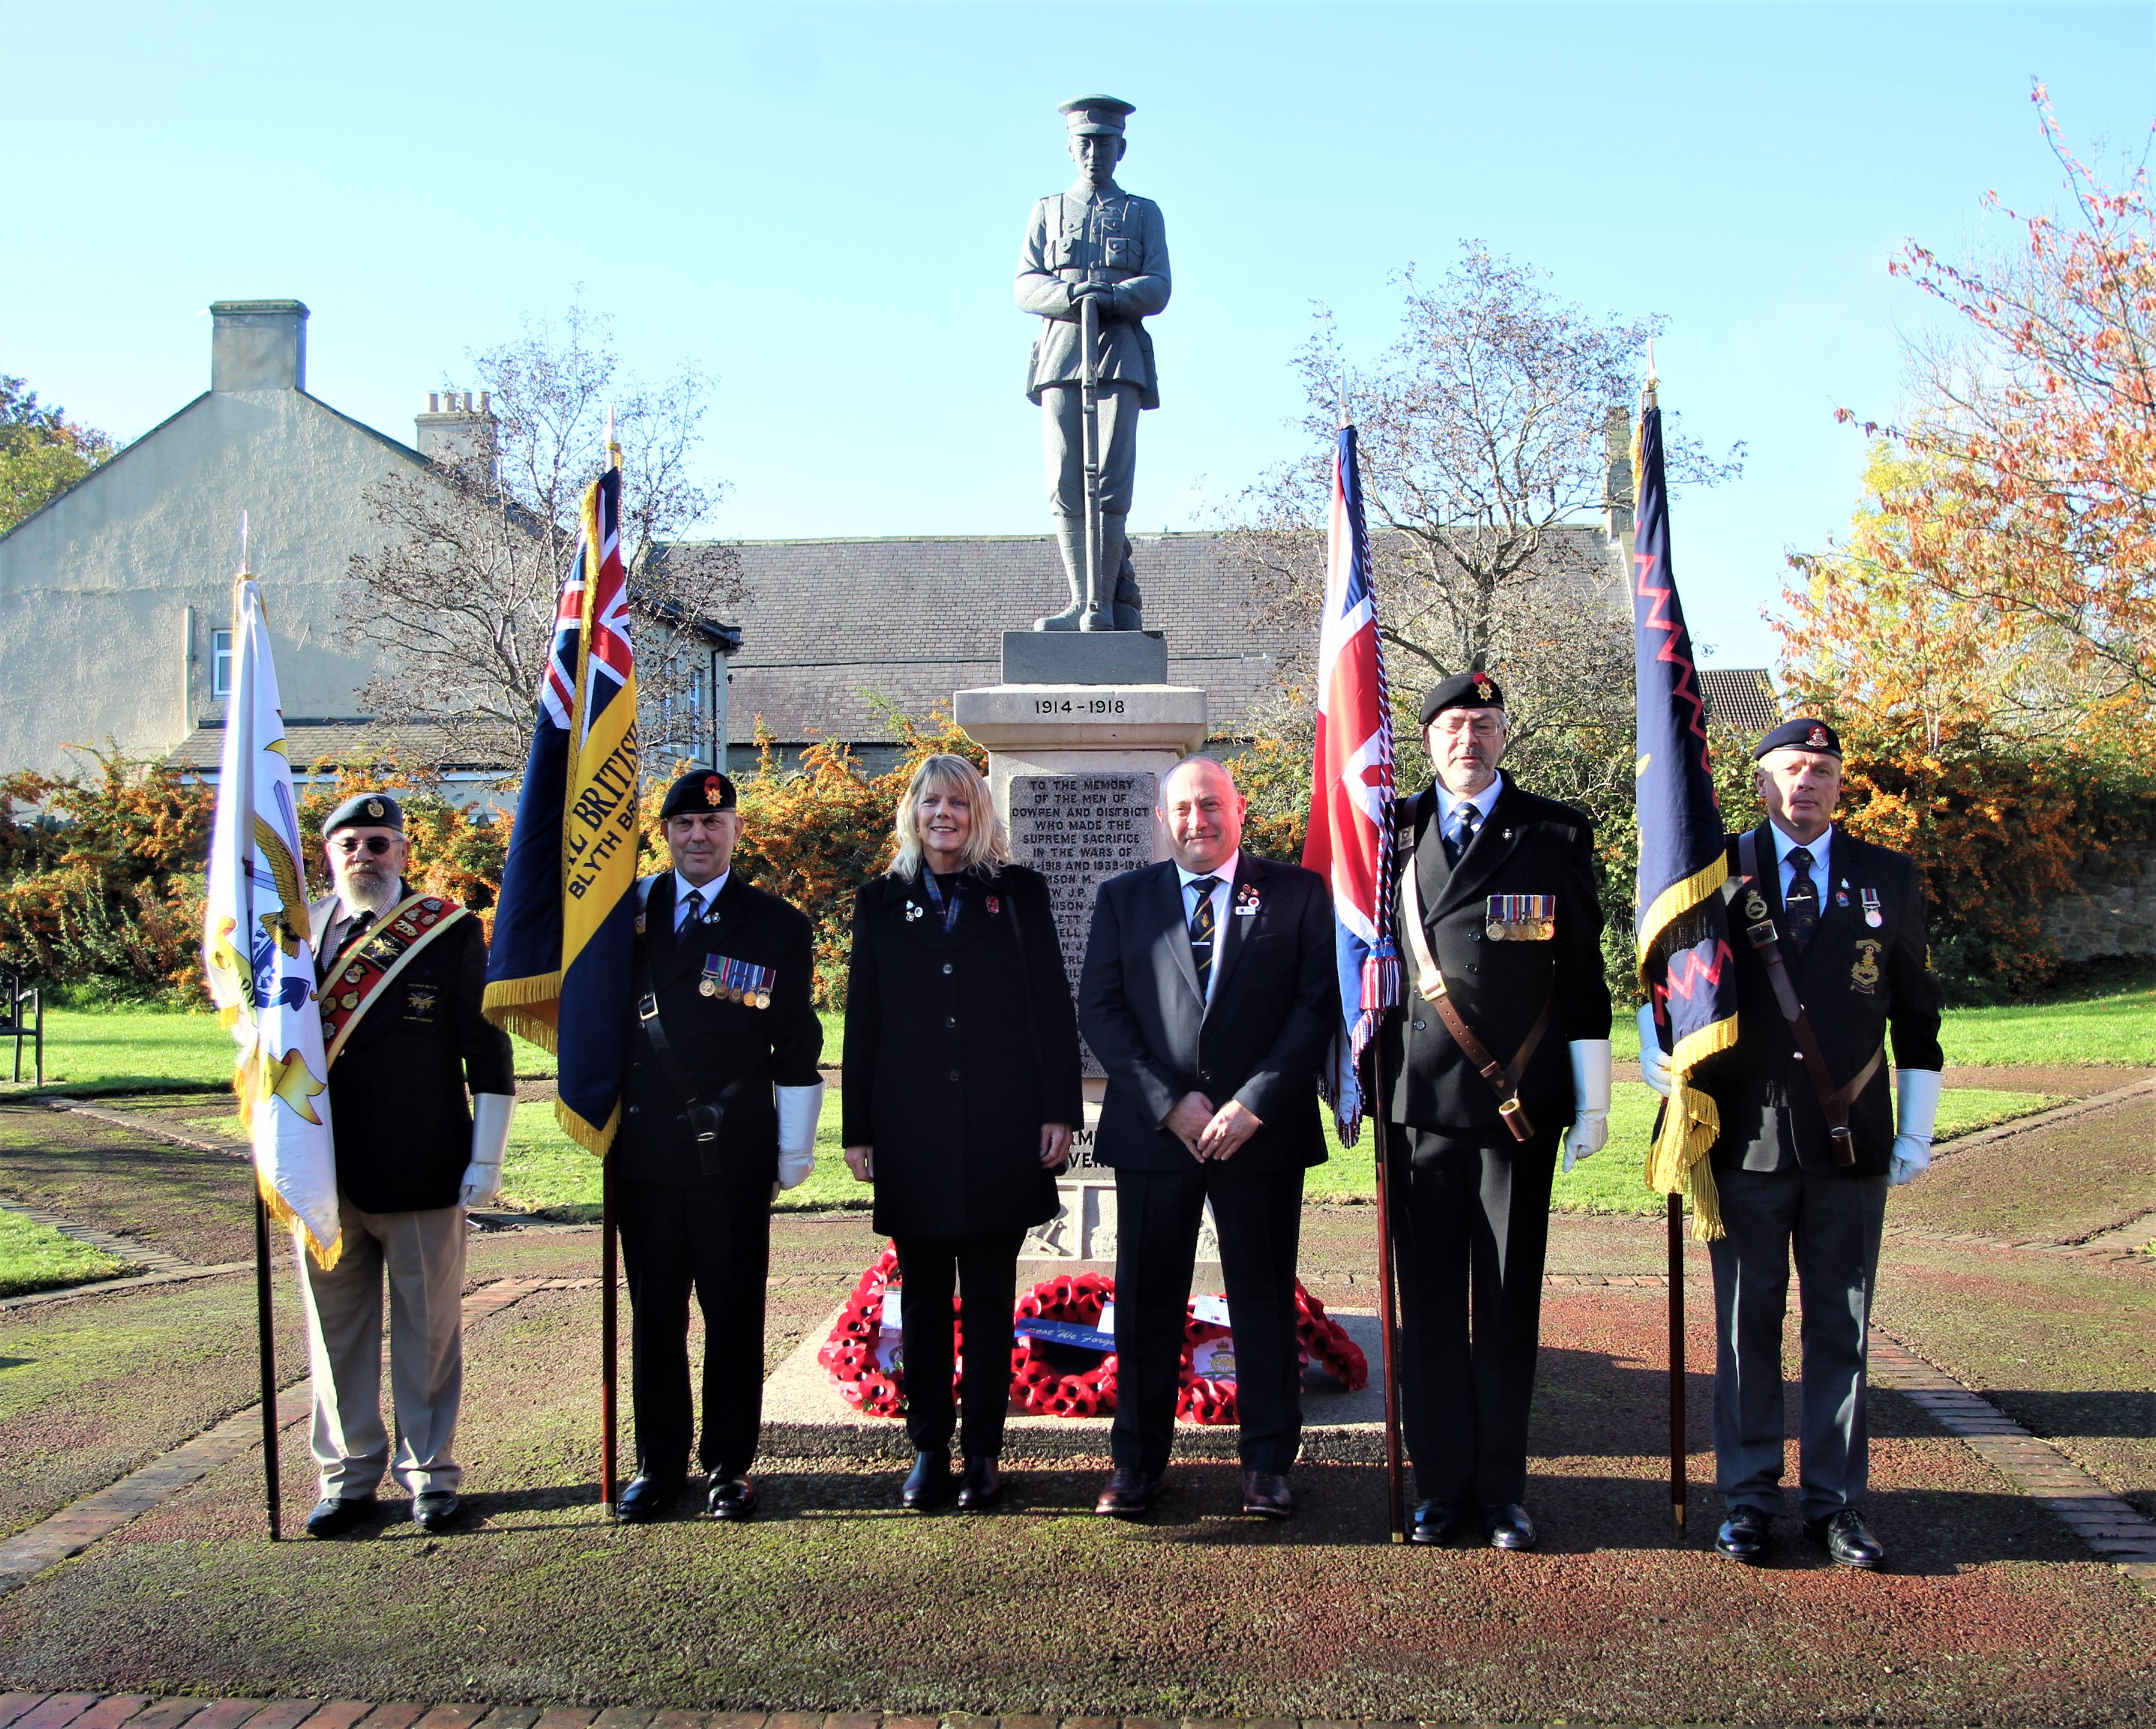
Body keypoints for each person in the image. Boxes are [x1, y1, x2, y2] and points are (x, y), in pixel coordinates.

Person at [1640, 717, 1943, 1571]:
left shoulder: (1888, 874)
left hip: (1850, 1146)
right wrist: (1651, 1045)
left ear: (1841, 784)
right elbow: (1661, 976)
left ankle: (1835, 1506)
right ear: (1760, 782)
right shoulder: (1711, 871)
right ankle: (1745, 1500)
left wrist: (1915, 1128)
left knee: (1840, 1331)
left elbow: (1917, 1015)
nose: (1803, 785)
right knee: (1745, 1328)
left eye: (1819, 771)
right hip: (1742, 1139)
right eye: (1787, 770)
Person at [1377, 673, 1613, 1552]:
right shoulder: (1387, 830)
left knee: (1508, 1303)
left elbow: (1583, 981)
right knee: (1430, 1306)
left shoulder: (1554, 833)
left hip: (1518, 1107)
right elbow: (1351, 962)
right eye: (1450, 726)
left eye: (1481, 724)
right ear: (1428, 739)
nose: (1465, 739)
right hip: (1419, 1104)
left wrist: (1592, 1096)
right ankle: (1438, 1489)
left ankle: (1503, 1488)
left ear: (1505, 735)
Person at [1077, 755, 1339, 1519]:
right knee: (1147, 1301)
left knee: (1261, 1301)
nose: (1197, 821)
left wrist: (1253, 1102)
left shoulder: (1295, 893)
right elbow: (1101, 1012)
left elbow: (1314, 1005)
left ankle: (1265, 1467)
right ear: (1161, 820)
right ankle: (1135, 1465)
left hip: (1259, 1135)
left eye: (1209, 805)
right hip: (1157, 1137)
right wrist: (1170, 1105)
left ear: (1239, 808)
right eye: (1182, 810)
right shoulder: (1124, 899)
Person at [841, 755, 1084, 1511]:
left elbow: (1050, 1005)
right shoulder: (880, 900)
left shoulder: (1015, 894)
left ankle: (982, 1451)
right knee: (921, 1304)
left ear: (977, 812)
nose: (942, 814)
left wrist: (1059, 1111)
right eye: (929, 802)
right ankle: (926, 1451)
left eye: (956, 802)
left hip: (998, 1128)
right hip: (909, 1130)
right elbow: (863, 1021)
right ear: (911, 813)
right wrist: (857, 1128)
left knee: (986, 1297)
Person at [299, 792, 514, 1538]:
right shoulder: (295, 937)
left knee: (427, 1332)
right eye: (351, 843)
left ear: (403, 852)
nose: (365, 855)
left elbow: (486, 1050)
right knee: (334, 1336)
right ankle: (347, 1476)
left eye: (380, 843)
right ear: (330, 854)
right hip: (321, 1175)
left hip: (422, 1164)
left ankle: (429, 1475)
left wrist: (485, 1157)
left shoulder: (446, 932)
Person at [613, 769, 825, 1524]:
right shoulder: (622, 915)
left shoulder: (776, 924)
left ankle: (728, 1466)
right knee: (655, 1316)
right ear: (663, 834)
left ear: (736, 831)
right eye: (683, 826)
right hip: (642, 1155)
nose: (698, 837)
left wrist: (792, 1152)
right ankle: (656, 1463)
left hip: (730, 1153)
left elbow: (795, 1041)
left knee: (734, 1315)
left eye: (713, 824)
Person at [1015, 93, 1170, 630]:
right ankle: (1078, 601)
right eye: (1084, 143)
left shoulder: (1142, 213)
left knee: (1108, 480)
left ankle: (1102, 608)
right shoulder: (1047, 210)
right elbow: (1026, 284)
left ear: (1120, 148)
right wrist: (1069, 295)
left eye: (1104, 143)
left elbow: (1156, 285)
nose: (1093, 153)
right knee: (1064, 480)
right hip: (1060, 357)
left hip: (1118, 356)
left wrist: (1107, 297)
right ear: (1069, 148)